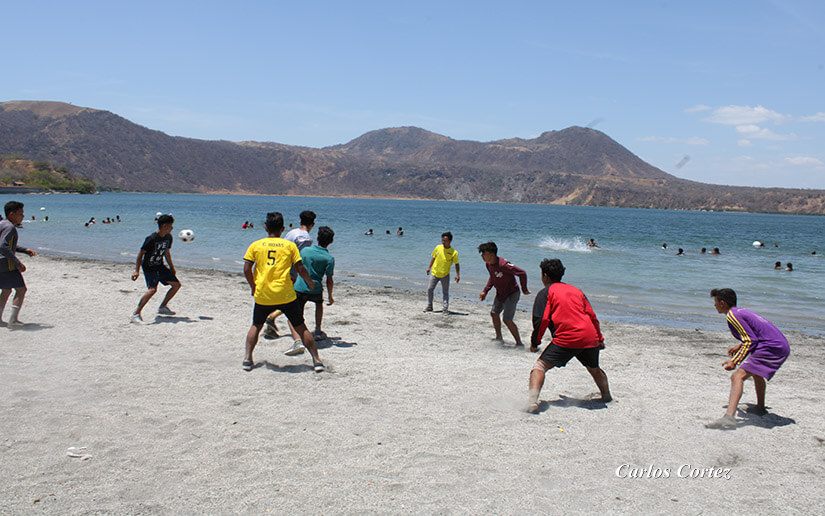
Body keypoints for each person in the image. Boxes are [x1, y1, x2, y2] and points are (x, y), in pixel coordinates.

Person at [242, 212, 325, 372]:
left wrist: (253, 286)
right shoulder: (289, 246)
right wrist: (309, 282)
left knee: (256, 326)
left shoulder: (256, 245)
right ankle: (316, 361)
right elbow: (300, 268)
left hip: (263, 294)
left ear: (266, 228)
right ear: (283, 229)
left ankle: (247, 359)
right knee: (301, 327)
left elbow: (246, 268)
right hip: (285, 294)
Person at [526, 259, 611, 413]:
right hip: (589, 336)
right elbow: (592, 316)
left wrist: (535, 342)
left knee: (539, 367)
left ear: (544, 275)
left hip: (567, 338)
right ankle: (606, 395)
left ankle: (532, 401)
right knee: (594, 368)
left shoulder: (545, 293)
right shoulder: (577, 291)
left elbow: (541, 319)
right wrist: (600, 339)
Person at [705, 288, 790, 429]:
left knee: (737, 376)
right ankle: (760, 408)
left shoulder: (732, 315)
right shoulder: (740, 311)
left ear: (722, 303)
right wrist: (739, 347)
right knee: (756, 373)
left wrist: (734, 361)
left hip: (771, 347)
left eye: (715, 302)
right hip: (780, 345)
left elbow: (750, 340)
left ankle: (729, 417)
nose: (714, 306)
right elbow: (754, 334)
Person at [266, 210, 316, 354]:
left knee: (287, 299)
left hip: (281, 267)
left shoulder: (291, 233)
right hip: (293, 272)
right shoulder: (307, 240)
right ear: (312, 224)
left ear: (300, 222)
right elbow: (302, 259)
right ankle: (272, 318)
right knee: (292, 302)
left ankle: (272, 318)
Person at [288, 226, 335, 346]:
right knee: (319, 304)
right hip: (316, 288)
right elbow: (329, 280)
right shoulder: (329, 258)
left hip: (300, 286)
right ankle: (318, 329)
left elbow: (298, 267)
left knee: (298, 312)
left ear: (317, 238)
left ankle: (298, 335)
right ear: (331, 241)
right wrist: (330, 295)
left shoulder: (305, 251)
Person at [130, 214, 181, 323]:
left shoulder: (168, 237)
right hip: (149, 267)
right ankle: (136, 313)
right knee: (152, 290)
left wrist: (172, 267)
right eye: (170, 226)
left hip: (160, 266)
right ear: (164, 226)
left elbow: (167, 253)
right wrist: (136, 271)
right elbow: (140, 254)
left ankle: (162, 307)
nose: (172, 228)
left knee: (176, 285)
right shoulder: (151, 239)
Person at [478, 241, 530, 347]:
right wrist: (485, 291)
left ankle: (519, 343)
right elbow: (492, 278)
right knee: (494, 313)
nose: (482, 256)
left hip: (512, 293)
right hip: (500, 293)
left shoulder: (504, 265)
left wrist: (524, 289)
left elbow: (522, 273)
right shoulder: (488, 264)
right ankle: (499, 338)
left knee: (507, 319)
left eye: (484, 253)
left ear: (492, 255)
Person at [1, 201, 37, 326]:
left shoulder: (2, 224)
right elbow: (3, 246)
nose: (23, 216)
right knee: (21, 290)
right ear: (12, 214)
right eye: (20, 213)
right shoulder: (10, 227)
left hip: (1, 263)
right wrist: (17, 263)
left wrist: (25, 250)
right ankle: (13, 320)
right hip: (7, 264)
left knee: (6, 290)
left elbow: (8, 245)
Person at [425, 232, 460, 313]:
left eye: (445, 241)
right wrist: (429, 267)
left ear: (450, 241)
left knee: (445, 292)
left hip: (445, 274)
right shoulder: (438, 247)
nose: (443, 242)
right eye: (442, 240)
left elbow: (457, 264)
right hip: (435, 273)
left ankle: (445, 308)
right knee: (430, 289)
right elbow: (433, 258)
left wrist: (457, 274)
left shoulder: (454, 252)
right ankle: (430, 306)